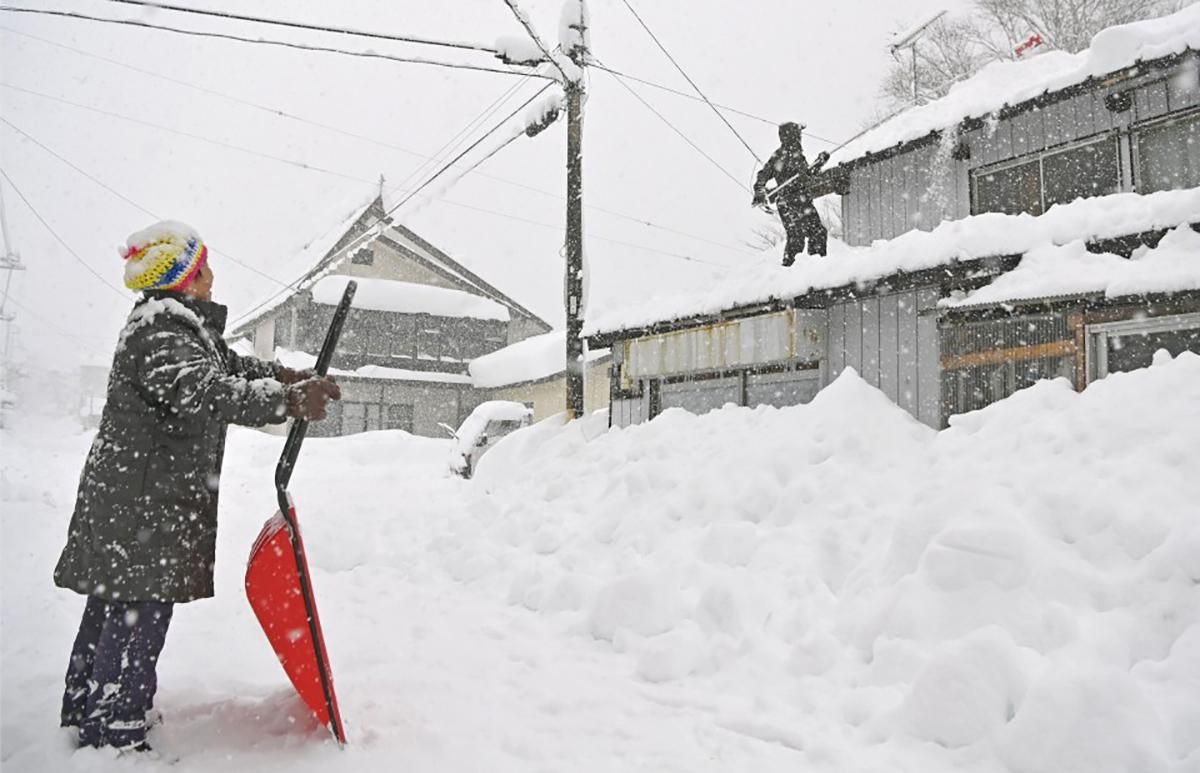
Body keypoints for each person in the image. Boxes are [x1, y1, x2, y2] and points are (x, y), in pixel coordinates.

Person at [53, 221, 341, 755]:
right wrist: (287, 402)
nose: (212, 278)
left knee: (119, 605)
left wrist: (287, 377)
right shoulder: (160, 332)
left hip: (141, 497)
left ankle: (88, 709)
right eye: (203, 269)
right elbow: (207, 392)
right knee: (136, 610)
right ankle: (113, 732)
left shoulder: (183, 329)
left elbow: (234, 368)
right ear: (183, 279)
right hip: (139, 503)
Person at [752, 121, 831, 265]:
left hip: (803, 201)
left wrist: (818, 163)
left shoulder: (799, 156)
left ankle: (816, 265)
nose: (800, 137)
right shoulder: (779, 156)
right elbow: (763, 175)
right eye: (798, 133)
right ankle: (789, 271)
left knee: (818, 232)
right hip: (788, 202)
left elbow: (806, 177)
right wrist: (759, 191)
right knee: (796, 237)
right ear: (792, 135)